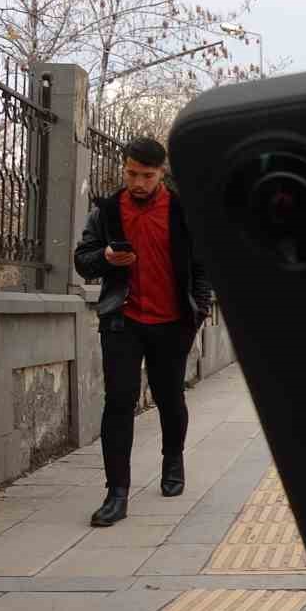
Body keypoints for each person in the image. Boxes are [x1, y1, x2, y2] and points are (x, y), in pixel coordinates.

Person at [75, 137, 213, 527]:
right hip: (122, 319)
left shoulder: (184, 211)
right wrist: (105, 257)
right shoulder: (106, 212)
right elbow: (82, 262)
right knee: (119, 401)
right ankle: (116, 494)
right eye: (131, 173)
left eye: (146, 176)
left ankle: (173, 459)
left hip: (173, 323)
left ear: (161, 174)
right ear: (124, 167)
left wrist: (198, 310)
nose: (137, 182)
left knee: (170, 397)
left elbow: (204, 266)